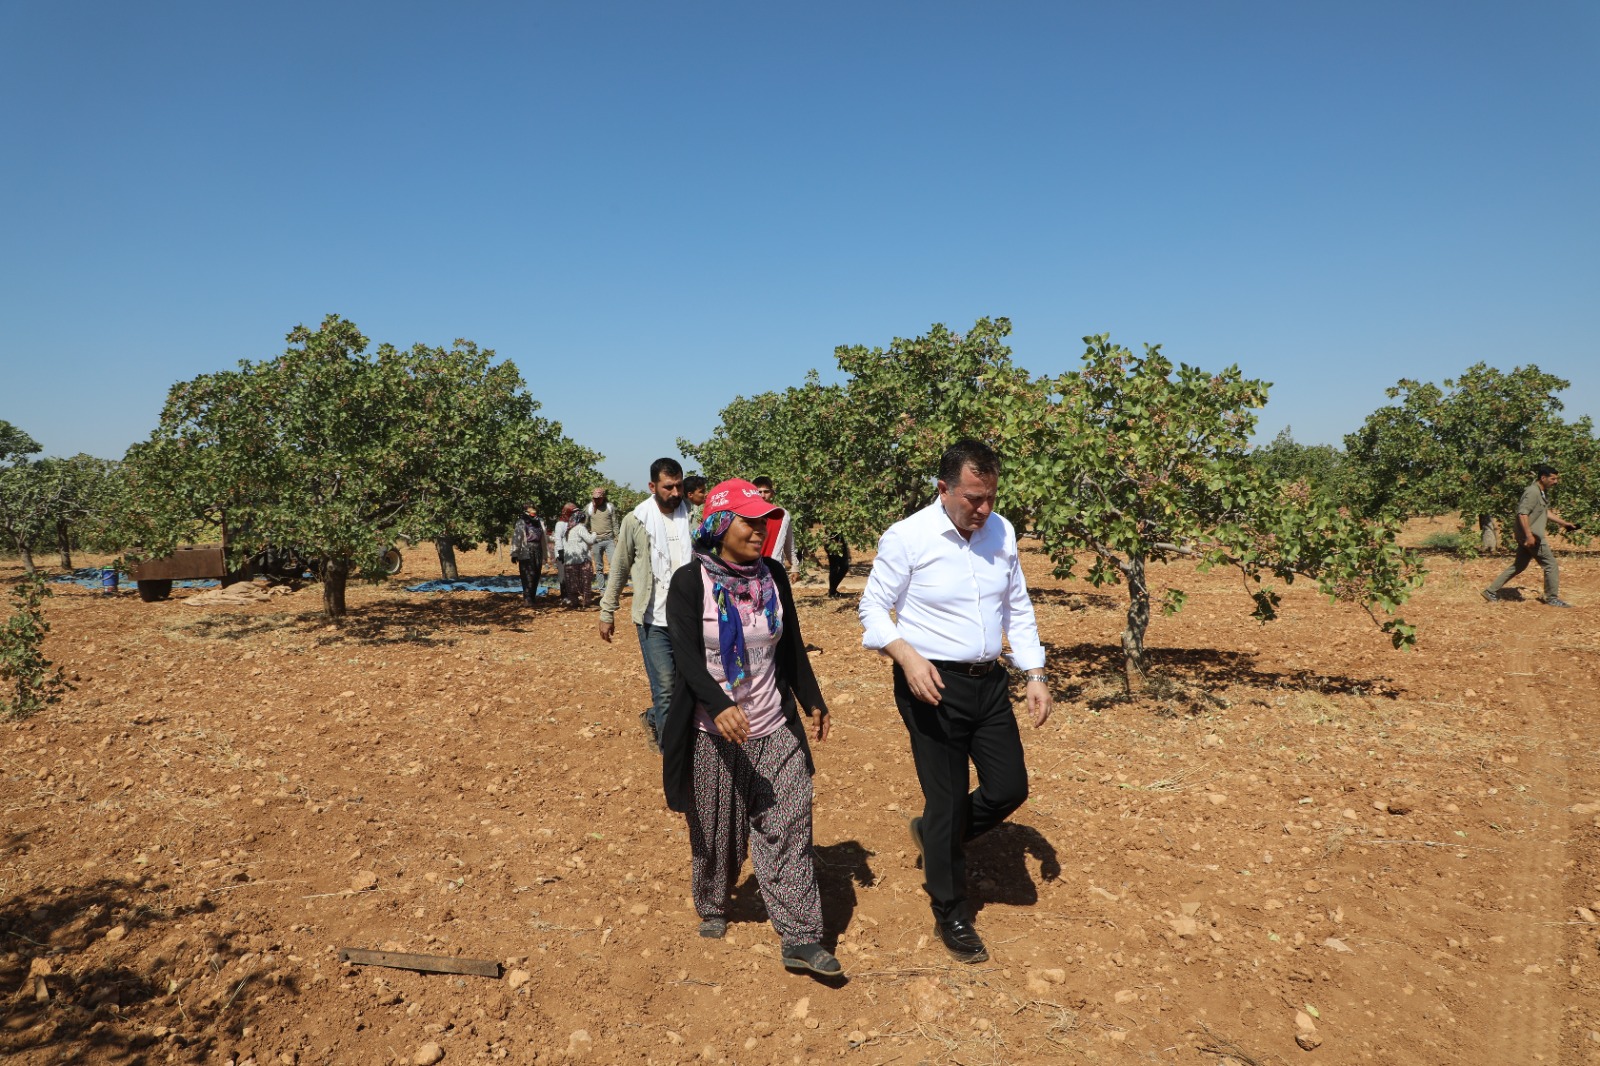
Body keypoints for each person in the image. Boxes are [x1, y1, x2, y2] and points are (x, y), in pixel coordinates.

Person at [858, 439, 1051, 964]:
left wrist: (1033, 671)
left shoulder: (1002, 532)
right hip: (931, 682)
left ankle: (934, 837)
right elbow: (873, 607)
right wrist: (905, 654)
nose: (983, 509)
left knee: (1009, 786)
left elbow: (1018, 605)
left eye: (989, 496)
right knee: (946, 798)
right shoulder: (908, 537)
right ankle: (951, 908)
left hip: (989, 682)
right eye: (972, 498)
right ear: (942, 489)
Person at [662, 478, 840, 976]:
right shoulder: (688, 582)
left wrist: (811, 697)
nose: (760, 530)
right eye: (749, 521)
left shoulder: (773, 577)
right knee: (718, 836)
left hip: (772, 725)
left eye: (764, 521)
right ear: (720, 524)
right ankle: (714, 902)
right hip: (711, 735)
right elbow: (685, 656)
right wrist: (718, 704)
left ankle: (801, 936)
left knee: (789, 825)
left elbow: (791, 644)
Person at [600, 459, 691, 753]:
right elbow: (620, 567)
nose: (676, 492)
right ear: (653, 487)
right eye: (669, 487)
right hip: (654, 621)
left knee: (687, 686)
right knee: (665, 687)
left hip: (690, 619)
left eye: (679, 485)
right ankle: (672, 758)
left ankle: (653, 718)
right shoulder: (636, 521)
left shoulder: (693, 515)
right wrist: (607, 610)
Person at [1484, 463, 1578, 608]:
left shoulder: (1541, 492)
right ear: (1543, 477)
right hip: (1532, 536)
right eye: (1553, 479)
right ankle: (1551, 597)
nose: (1555, 482)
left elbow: (1544, 512)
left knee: (1519, 565)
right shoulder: (1532, 492)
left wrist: (1564, 523)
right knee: (1550, 565)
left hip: (1528, 536)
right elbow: (1522, 513)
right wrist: (1529, 535)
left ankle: (1490, 591)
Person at [752, 476, 799, 571]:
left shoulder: (782, 515)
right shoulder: (747, 515)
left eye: (766, 492)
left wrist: (795, 566)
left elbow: (789, 544)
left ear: (772, 493)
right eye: (759, 492)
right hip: (751, 569)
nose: (762, 495)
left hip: (774, 569)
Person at [510, 503, 547, 607]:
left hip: (538, 550)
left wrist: (545, 554)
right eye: (531, 510)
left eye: (534, 510)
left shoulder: (540, 521)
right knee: (527, 575)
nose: (533, 512)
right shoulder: (522, 522)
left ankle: (532, 597)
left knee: (536, 574)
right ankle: (527, 598)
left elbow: (543, 538)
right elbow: (517, 538)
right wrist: (515, 553)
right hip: (527, 551)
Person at [560, 509, 596, 609]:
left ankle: (573, 602)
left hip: (569, 561)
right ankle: (586, 602)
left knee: (572, 583)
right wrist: (594, 533)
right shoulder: (580, 528)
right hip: (581, 559)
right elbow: (590, 540)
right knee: (585, 582)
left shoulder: (568, 530)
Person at [587, 487, 620, 592]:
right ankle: (602, 589)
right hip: (596, 541)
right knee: (599, 567)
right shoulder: (590, 508)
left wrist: (617, 538)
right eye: (595, 498)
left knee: (614, 564)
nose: (596, 500)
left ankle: (612, 588)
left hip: (609, 540)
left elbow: (615, 523)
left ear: (603, 498)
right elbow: (584, 523)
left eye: (599, 498)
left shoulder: (610, 507)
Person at [824, 532, 850, 598]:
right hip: (832, 542)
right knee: (834, 568)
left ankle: (832, 590)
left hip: (840, 541)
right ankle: (832, 591)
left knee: (844, 567)